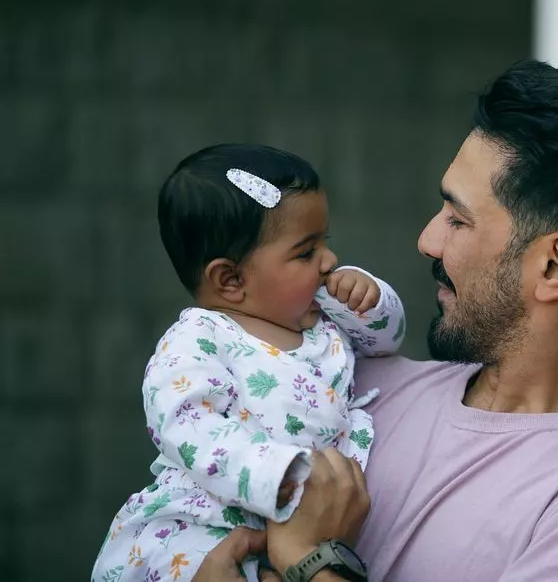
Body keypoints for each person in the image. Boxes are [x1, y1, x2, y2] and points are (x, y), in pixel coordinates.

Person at [197, 59, 558, 581]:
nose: (428, 240)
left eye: (458, 219)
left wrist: (309, 559)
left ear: (554, 266)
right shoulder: (350, 391)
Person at [92, 143, 406, 582]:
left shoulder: (322, 319)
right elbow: (184, 423)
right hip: (202, 521)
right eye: (306, 251)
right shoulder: (198, 338)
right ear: (231, 280)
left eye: (325, 243)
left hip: (302, 525)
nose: (330, 261)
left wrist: (368, 299)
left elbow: (385, 341)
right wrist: (275, 473)